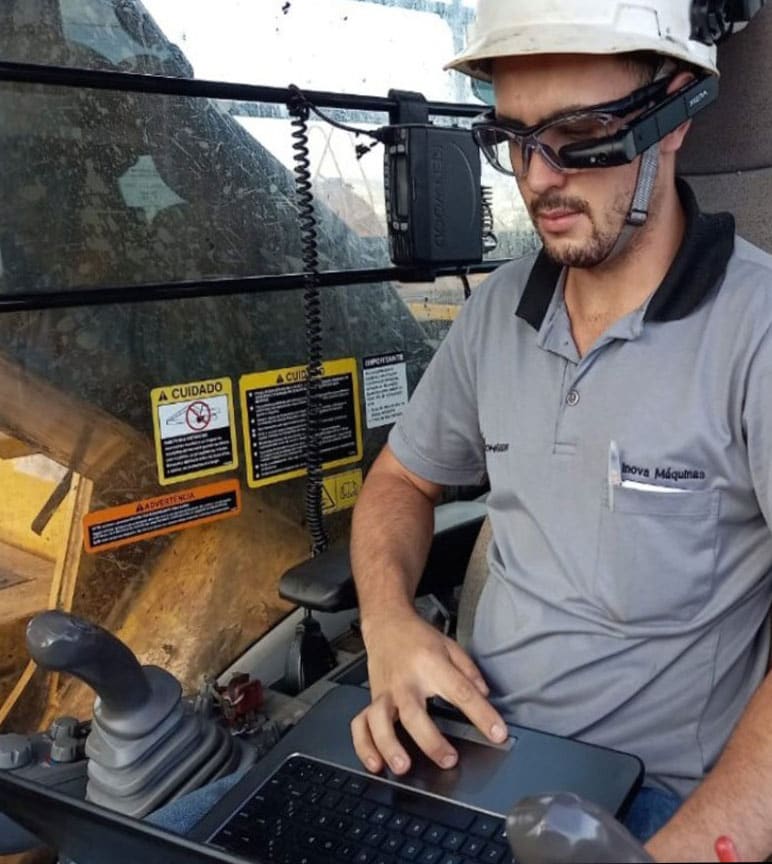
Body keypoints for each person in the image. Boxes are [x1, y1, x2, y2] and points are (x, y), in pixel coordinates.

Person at [349, 1, 772, 860]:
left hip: (644, 802)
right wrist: (388, 624)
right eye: (515, 138)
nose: (538, 178)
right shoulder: (497, 312)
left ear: (674, 116)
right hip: (461, 753)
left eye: (578, 135)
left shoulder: (755, 331)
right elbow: (401, 480)